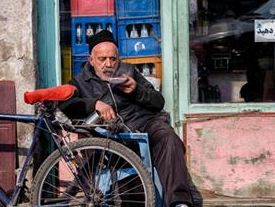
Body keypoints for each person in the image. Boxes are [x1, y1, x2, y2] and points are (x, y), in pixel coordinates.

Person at [59, 30, 194, 207]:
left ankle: (180, 202)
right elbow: (64, 106)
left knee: (168, 137)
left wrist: (137, 90)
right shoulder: (79, 82)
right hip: (110, 138)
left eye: (113, 59)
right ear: (91, 60)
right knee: (133, 193)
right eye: (102, 59)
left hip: (144, 124)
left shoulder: (129, 71)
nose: (108, 64)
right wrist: (95, 105)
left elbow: (158, 102)